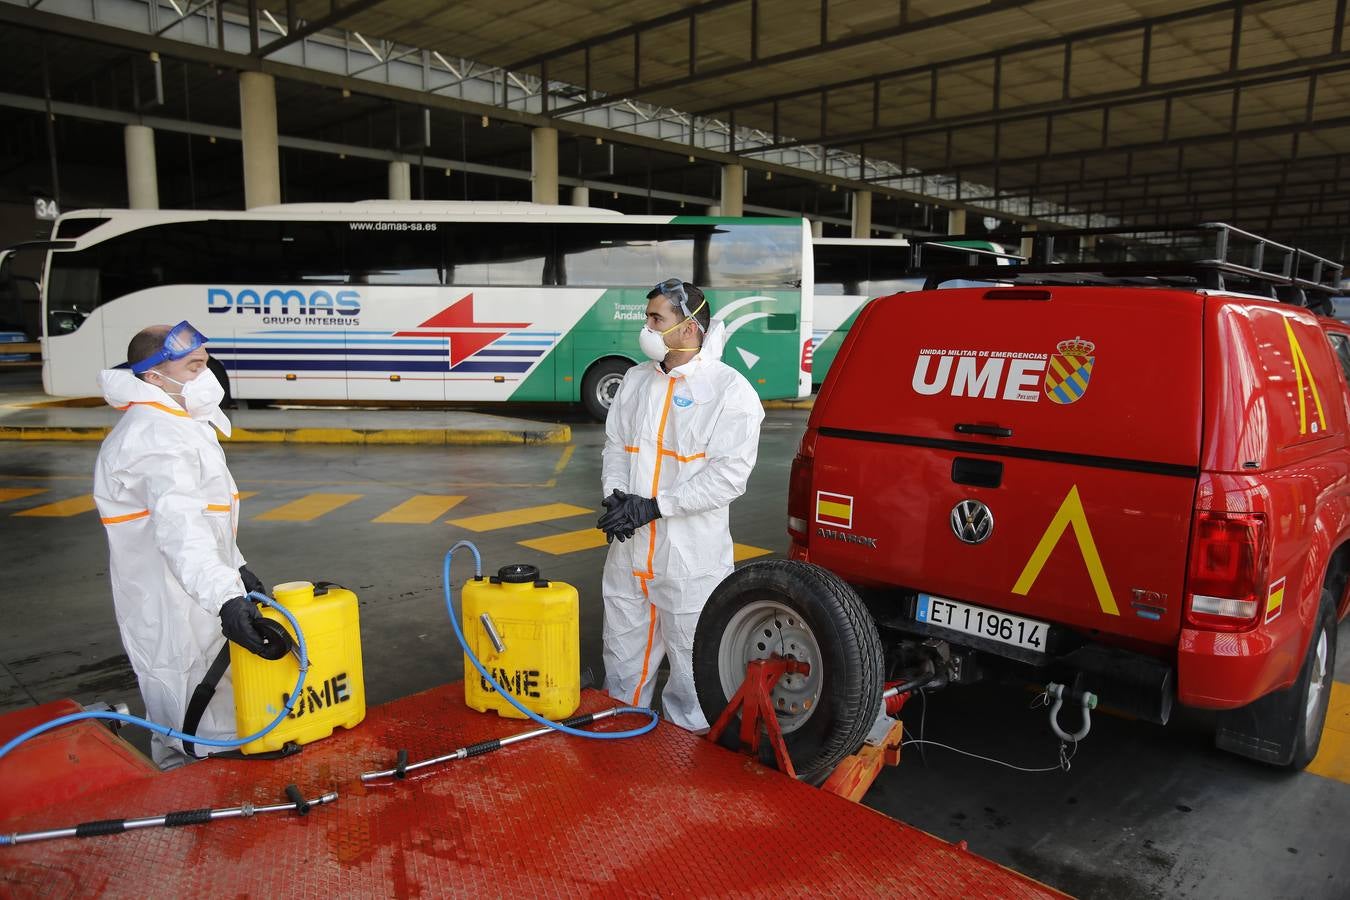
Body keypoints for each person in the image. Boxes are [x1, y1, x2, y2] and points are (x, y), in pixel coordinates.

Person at [93, 322, 273, 768]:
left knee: (201, 707)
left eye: (206, 362)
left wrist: (237, 568)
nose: (206, 374)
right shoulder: (155, 436)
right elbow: (182, 532)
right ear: (154, 376)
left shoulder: (177, 422)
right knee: (195, 717)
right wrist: (226, 597)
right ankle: (198, 799)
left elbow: (204, 520)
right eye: (194, 366)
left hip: (196, 589)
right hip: (173, 601)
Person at [597, 279, 764, 731]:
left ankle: (686, 753)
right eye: (647, 317)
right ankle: (621, 734)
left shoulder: (730, 392)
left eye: (656, 319)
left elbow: (729, 477)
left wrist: (654, 507)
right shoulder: (635, 380)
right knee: (622, 654)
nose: (646, 328)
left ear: (689, 328)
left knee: (692, 667)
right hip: (630, 552)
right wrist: (615, 495)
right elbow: (616, 445)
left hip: (689, 560)